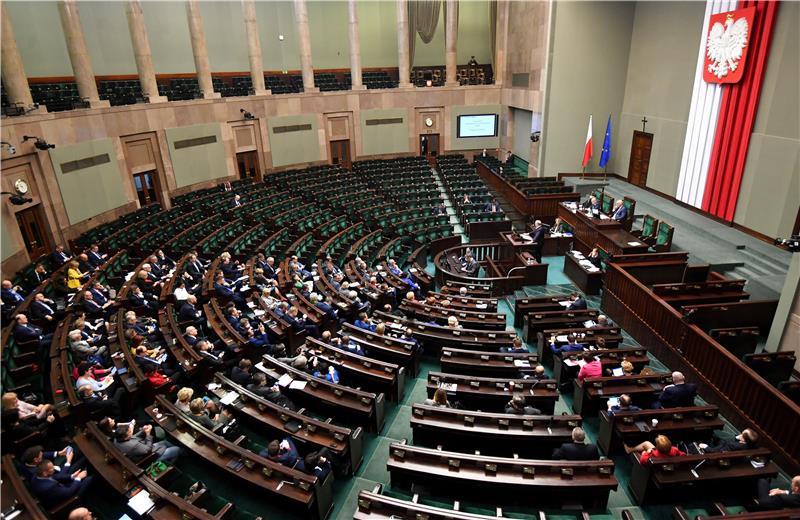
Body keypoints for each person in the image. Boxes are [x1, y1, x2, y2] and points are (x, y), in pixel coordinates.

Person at [114, 422, 181, 464]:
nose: (131, 430)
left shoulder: (117, 439)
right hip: (150, 458)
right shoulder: (133, 445)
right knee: (176, 449)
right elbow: (148, 449)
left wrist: (143, 430)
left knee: (165, 442)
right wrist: (148, 434)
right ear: (126, 436)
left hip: (143, 450)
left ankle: (182, 452)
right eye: (129, 431)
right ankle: (170, 464)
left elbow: (133, 437)